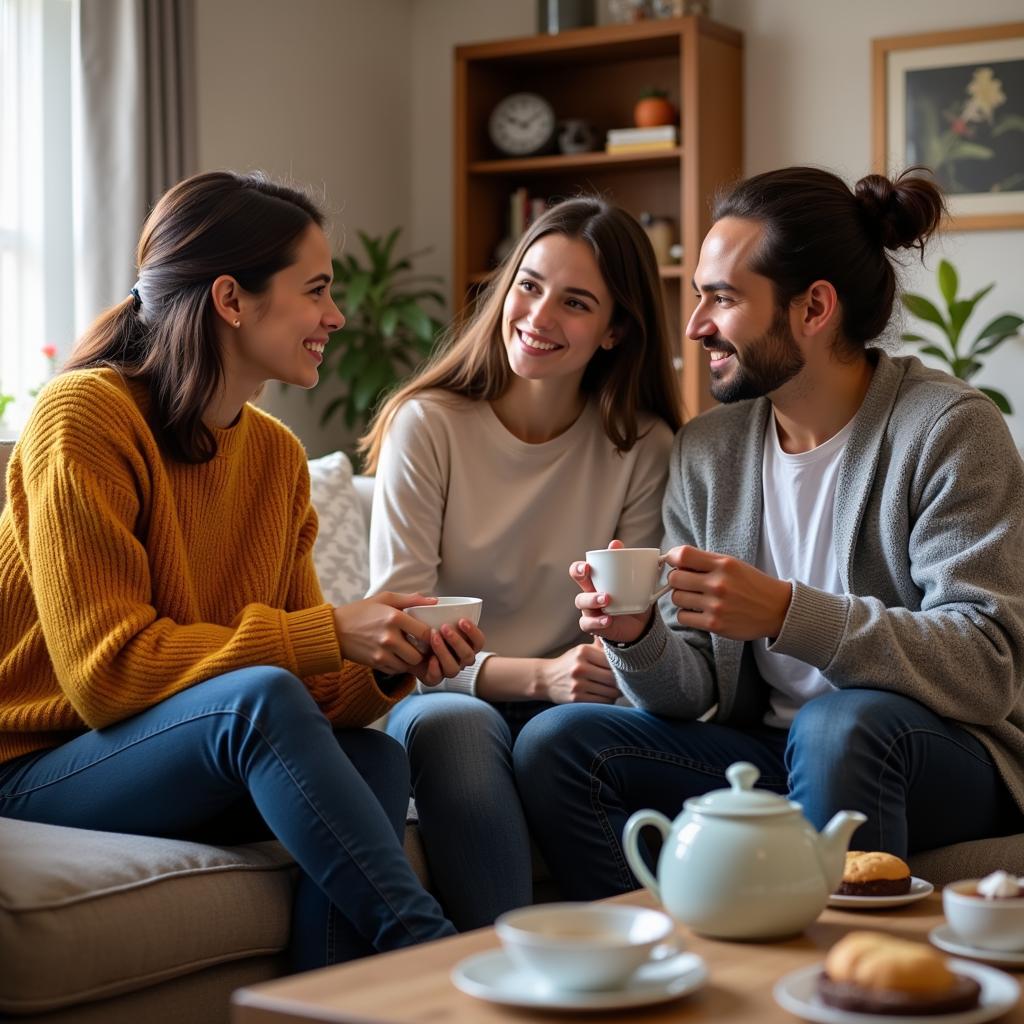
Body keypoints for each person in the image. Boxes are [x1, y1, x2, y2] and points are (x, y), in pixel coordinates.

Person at [0, 170, 487, 968]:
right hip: (34, 766)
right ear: (232, 299)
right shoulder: (85, 415)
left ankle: (321, 1008)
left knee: (377, 755)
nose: (336, 316)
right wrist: (328, 629)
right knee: (254, 700)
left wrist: (390, 659)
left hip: (166, 753)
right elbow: (106, 676)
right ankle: (435, 963)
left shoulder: (274, 456)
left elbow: (316, 700)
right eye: (317, 291)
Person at [513, 167, 1024, 900]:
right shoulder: (708, 451)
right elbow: (688, 691)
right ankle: (660, 961)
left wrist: (789, 614)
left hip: (932, 753)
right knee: (559, 745)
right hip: (775, 750)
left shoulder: (946, 430)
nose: (695, 325)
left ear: (814, 306)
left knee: (838, 726)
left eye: (722, 298)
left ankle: (831, 993)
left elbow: (986, 662)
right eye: (698, 296)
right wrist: (636, 640)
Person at [361, 197, 683, 928]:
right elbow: (403, 634)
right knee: (457, 729)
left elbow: (632, 625)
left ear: (616, 331)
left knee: (558, 740)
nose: (537, 316)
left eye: (575, 303)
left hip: (577, 707)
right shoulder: (430, 424)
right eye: (528, 285)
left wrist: (600, 665)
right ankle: (500, 978)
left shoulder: (644, 446)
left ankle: (642, 972)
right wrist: (537, 675)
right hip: (447, 694)